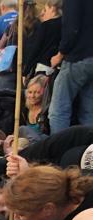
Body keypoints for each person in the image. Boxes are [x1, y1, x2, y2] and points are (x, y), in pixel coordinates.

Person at [48, 0, 93, 133]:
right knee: (89, 111)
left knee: (59, 110)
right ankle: (88, 149)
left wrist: (61, 53)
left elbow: (71, 28)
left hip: (78, 56)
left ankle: (58, 148)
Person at [24, 0, 62, 77]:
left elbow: (36, 48)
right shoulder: (65, 24)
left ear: (52, 9)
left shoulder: (46, 26)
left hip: (44, 66)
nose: (43, 13)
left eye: (45, 9)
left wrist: (26, 71)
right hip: (60, 65)